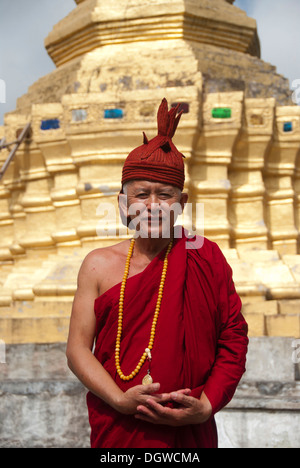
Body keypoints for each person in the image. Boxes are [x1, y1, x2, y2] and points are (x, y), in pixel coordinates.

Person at [66, 98, 248, 448]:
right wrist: (119, 400)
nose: (152, 206)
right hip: (120, 428)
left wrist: (207, 405)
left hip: (190, 429)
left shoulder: (205, 257)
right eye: (141, 195)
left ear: (181, 204)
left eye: (165, 195)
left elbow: (233, 338)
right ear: (123, 204)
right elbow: (77, 350)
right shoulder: (98, 265)